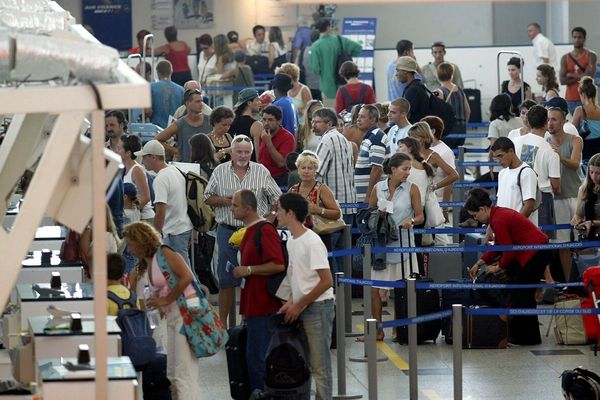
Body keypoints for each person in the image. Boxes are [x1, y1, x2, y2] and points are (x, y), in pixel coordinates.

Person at [204, 135, 281, 327]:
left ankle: (248, 323)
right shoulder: (220, 171)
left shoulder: (261, 171)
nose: (243, 155)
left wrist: (268, 221)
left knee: (252, 278)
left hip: (255, 232)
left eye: (247, 152)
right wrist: (229, 201)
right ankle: (222, 325)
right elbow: (207, 197)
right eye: (239, 151)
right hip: (228, 231)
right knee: (226, 279)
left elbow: (277, 200)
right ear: (231, 151)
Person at [123, 222, 201, 399]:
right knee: (173, 375)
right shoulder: (149, 262)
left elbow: (187, 276)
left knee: (183, 376)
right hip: (173, 318)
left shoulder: (165, 253)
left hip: (184, 317)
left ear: (140, 241)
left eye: (130, 244)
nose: (129, 249)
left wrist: (165, 299)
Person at [465, 188, 550, 345]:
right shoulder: (498, 214)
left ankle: (526, 338)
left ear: (482, 209)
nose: (476, 219)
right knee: (522, 294)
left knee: (522, 294)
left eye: (475, 215)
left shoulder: (498, 219)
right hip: (535, 251)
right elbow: (499, 245)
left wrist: (496, 268)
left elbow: (508, 252)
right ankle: (525, 336)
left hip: (535, 253)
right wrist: (480, 263)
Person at [277, 192, 335, 400]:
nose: (277, 214)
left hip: (318, 307)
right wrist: (291, 301)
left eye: (279, 210)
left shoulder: (312, 241)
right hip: (302, 306)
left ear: (290, 213)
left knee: (321, 365)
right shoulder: (292, 241)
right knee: (305, 362)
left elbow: (326, 281)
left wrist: (299, 304)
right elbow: (297, 276)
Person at [230, 190, 285, 393]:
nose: (232, 209)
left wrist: (250, 270)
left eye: (235, 205)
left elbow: (278, 264)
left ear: (248, 208)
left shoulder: (265, 230)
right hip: (252, 302)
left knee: (258, 354)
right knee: (253, 353)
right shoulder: (250, 231)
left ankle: (262, 392)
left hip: (264, 303)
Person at [368, 153, 424, 340]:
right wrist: (379, 216)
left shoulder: (412, 189)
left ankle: (398, 328)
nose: (408, 173)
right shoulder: (378, 188)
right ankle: (377, 329)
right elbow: (369, 215)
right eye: (405, 169)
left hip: (403, 245)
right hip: (381, 245)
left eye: (410, 169)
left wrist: (412, 221)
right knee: (374, 289)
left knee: (402, 289)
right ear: (392, 169)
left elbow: (420, 216)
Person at [137, 140, 194, 266]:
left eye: (144, 157)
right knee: (180, 269)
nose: (142, 161)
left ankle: (194, 287)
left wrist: (155, 236)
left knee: (183, 272)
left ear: (153, 157)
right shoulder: (174, 170)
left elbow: (160, 211)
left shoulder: (161, 179)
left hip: (174, 230)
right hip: (182, 226)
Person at [512, 105, 561, 240]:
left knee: (518, 239)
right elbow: (556, 186)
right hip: (542, 199)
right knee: (542, 244)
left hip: (517, 193)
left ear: (528, 120)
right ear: (546, 123)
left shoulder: (515, 143)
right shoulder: (551, 151)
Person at [548, 106, 582, 281]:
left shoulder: (575, 140)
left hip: (576, 196)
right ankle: (569, 283)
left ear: (563, 121)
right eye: (548, 119)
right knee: (562, 244)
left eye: (554, 119)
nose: (550, 123)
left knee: (582, 241)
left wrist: (558, 156)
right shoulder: (544, 141)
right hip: (557, 198)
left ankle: (588, 280)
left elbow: (575, 164)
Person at [314, 107, 356, 224]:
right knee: (345, 242)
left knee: (331, 242)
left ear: (329, 123)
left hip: (334, 206)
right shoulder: (343, 139)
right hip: (349, 203)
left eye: (317, 122)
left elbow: (315, 172)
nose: (313, 125)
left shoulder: (326, 140)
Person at [310, 18, 362, 107]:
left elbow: (315, 68)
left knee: (331, 114)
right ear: (328, 27)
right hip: (345, 84)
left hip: (327, 87)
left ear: (318, 30)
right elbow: (358, 48)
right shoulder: (340, 40)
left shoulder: (315, 46)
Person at [288, 151, 342, 235]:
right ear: (298, 170)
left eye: (310, 168)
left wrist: (318, 210)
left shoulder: (322, 189)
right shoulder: (293, 189)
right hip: (297, 235)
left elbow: (337, 213)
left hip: (319, 235)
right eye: (303, 168)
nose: (306, 171)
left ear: (315, 171)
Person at [155, 88, 211, 162]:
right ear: (187, 103)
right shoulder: (180, 123)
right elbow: (157, 140)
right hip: (187, 166)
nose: (201, 104)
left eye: (201, 101)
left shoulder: (210, 121)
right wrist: (174, 150)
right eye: (197, 101)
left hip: (207, 165)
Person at [490, 137, 538, 224]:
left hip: (521, 230)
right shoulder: (502, 173)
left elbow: (529, 205)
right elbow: (499, 203)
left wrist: (514, 226)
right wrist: (492, 225)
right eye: (496, 157)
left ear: (511, 151)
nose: (498, 161)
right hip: (505, 228)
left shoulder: (526, 172)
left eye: (500, 156)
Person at [421, 116, 455, 226]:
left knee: (440, 238)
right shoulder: (422, 148)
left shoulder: (445, 151)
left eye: (423, 128)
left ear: (433, 131)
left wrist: (445, 208)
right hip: (424, 200)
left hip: (437, 201)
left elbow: (449, 181)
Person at [354, 105, 390, 203]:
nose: (358, 119)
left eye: (362, 117)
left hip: (372, 199)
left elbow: (377, 168)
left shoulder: (376, 137)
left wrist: (369, 196)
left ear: (373, 120)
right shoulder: (370, 137)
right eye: (358, 116)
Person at [117, 134, 155, 224]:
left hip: (144, 219)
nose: (116, 151)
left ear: (128, 153)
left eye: (119, 149)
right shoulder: (123, 169)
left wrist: (132, 214)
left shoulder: (136, 170)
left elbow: (146, 197)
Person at [560, 27, 598, 116]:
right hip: (570, 98)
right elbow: (562, 81)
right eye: (575, 37)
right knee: (574, 126)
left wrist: (571, 75)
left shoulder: (591, 55)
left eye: (579, 37)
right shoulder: (565, 58)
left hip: (588, 97)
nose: (577, 39)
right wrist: (583, 76)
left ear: (584, 38)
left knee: (588, 126)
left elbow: (590, 76)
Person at [259, 105, 297, 187]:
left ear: (279, 121)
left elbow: (281, 163)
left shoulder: (287, 137)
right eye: (264, 119)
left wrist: (268, 143)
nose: (266, 123)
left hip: (280, 180)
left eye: (270, 120)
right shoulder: (263, 134)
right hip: (262, 179)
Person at [435, 62, 470, 149]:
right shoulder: (460, 91)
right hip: (462, 129)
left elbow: (436, 112)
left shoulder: (438, 92)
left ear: (438, 76)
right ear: (452, 75)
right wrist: (464, 124)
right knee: (458, 156)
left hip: (447, 130)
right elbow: (468, 111)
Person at [571, 153, 600, 244]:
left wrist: (592, 223)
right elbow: (578, 214)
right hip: (588, 237)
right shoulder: (583, 190)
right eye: (591, 172)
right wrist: (576, 219)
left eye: (598, 173)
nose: (594, 176)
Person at [149, 60, 185, 129]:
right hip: (175, 128)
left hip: (157, 128)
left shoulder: (151, 87)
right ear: (171, 71)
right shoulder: (181, 90)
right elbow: (183, 112)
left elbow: (148, 111)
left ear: (158, 72)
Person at [572, 77, 600, 162]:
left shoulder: (579, 110)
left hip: (585, 147)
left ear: (583, 94)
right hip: (598, 146)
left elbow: (572, 131)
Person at [230, 88, 263, 160]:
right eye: (257, 100)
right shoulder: (256, 125)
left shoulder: (230, 122)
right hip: (250, 167)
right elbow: (258, 157)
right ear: (249, 103)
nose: (260, 102)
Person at [277, 63, 312, 128]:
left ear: (294, 77)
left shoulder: (304, 90)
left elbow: (311, 111)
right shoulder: (284, 89)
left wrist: (295, 110)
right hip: (289, 124)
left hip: (303, 125)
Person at [396, 56, 429, 124]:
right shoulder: (418, 86)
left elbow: (406, 116)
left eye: (398, 70)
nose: (396, 74)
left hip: (415, 131)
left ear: (405, 71)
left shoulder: (413, 90)